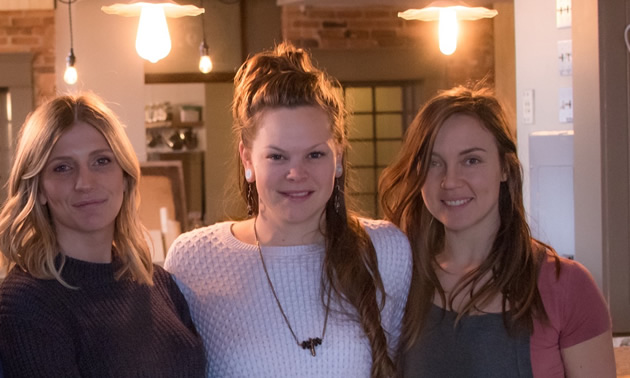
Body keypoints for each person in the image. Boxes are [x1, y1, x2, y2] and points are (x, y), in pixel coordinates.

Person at [165, 42, 412, 378]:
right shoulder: (193, 260)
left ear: (338, 157)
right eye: (277, 156)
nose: (297, 174)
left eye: (314, 155)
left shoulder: (387, 251)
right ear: (247, 159)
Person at [379, 86, 616, 377]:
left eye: (471, 160)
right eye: (433, 162)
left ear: (505, 167)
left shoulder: (566, 287)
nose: (450, 180)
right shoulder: (396, 280)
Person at [0, 93, 206, 377]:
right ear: (39, 189)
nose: (85, 182)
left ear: (124, 176)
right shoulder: (27, 302)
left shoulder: (157, 282)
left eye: (102, 161)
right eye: (62, 167)